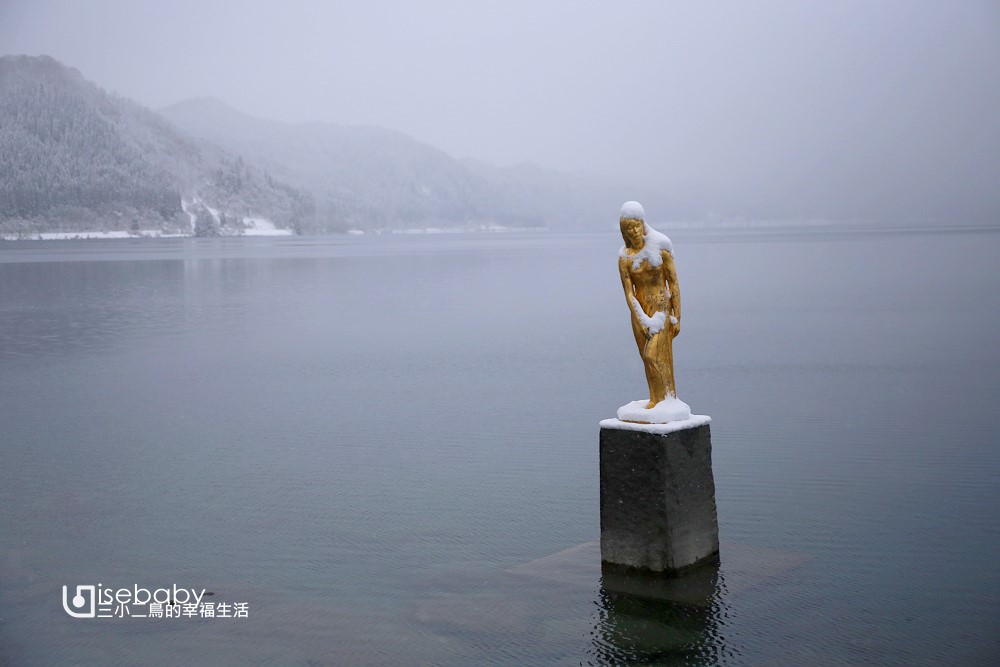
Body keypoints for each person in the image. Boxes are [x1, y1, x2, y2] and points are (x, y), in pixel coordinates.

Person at [617, 201, 681, 409]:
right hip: (639, 310)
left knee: (652, 355)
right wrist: (640, 318)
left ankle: (666, 399)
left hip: (661, 307)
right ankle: (656, 398)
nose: (633, 231)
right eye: (628, 229)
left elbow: (673, 283)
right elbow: (629, 292)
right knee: (646, 359)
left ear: (643, 224)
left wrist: (677, 316)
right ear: (624, 232)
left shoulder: (660, 247)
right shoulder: (624, 258)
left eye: (636, 225)